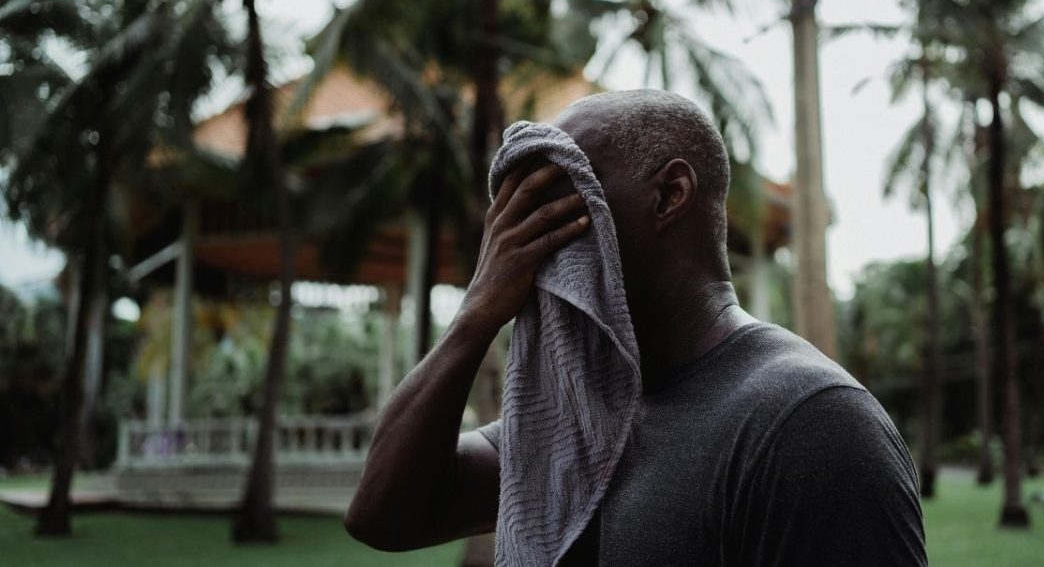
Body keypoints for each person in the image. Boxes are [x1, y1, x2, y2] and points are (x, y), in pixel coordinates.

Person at [344, 90, 927, 566]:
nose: (519, 230)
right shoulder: (576, 420)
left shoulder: (808, 422)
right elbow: (384, 516)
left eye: (563, 189)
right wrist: (478, 310)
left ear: (669, 195)